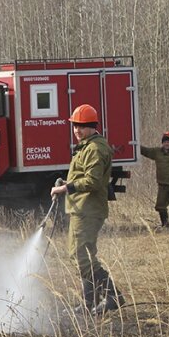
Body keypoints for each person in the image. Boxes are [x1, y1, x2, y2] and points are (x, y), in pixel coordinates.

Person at [51, 104, 122, 314]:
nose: (77, 131)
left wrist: (66, 187)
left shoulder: (95, 148)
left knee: (79, 255)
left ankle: (113, 296)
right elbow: (83, 175)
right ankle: (89, 303)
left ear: (92, 127)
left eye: (81, 126)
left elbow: (92, 181)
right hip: (80, 208)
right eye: (75, 126)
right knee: (83, 255)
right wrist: (66, 181)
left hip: (88, 209)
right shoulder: (86, 146)